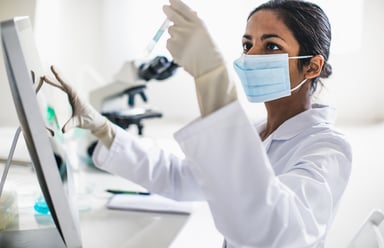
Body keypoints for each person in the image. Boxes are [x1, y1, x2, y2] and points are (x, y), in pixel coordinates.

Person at [42, 0, 352, 247]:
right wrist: (102, 128)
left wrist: (210, 76)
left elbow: (273, 231)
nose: (252, 56)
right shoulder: (259, 130)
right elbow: (178, 177)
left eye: (271, 46)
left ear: (312, 66)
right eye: (247, 45)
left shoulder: (327, 148)